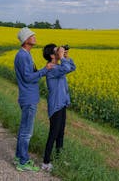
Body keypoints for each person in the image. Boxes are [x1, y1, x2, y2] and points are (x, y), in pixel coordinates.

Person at [14, 27, 51, 172]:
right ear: (25, 40)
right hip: (28, 98)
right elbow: (28, 77)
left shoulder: (26, 54)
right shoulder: (23, 56)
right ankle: (23, 162)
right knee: (26, 132)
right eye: (31, 35)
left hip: (29, 96)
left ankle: (19, 156)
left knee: (24, 129)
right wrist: (45, 70)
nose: (35, 36)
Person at [40, 43, 76, 172]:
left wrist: (65, 56)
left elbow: (72, 67)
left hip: (62, 104)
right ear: (51, 55)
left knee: (60, 133)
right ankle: (45, 162)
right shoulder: (52, 69)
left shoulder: (58, 66)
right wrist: (62, 57)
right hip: (55, 105)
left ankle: (58, 158)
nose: (59, 51)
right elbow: (66, 68)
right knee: (53, 133)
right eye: (56, 50)